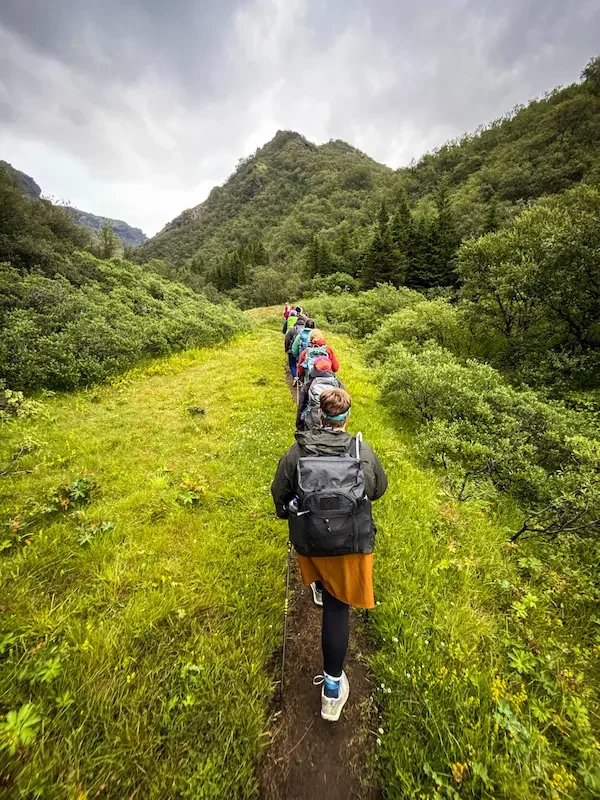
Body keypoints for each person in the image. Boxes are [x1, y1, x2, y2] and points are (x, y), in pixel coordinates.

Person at [271, 388, 388, 722]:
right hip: (350, 544)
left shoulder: (298, 450)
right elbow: (378, 490)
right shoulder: (362, 450)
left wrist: (286, 513)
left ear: (319, 416)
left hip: (312, 543)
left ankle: (321, 585)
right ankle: (332, 690)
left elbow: (279, 491)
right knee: (338, 610)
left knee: (323, 578)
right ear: (346, 418)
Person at [296, 357, 344, 430]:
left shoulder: (308, 384)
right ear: (330, 369)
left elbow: (301, 405)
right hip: (334, 423)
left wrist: (299, 425)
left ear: (314, 368)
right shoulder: (338, 384)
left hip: (312, 421)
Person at [285, 314, 306, 385]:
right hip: (303, 351)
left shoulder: (292, 329)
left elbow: (287, 339)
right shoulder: (305, 331)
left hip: (291, 350)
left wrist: (286, 349)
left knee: (292, 364)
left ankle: (295, 378)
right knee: (301, 365)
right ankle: (301, 378)